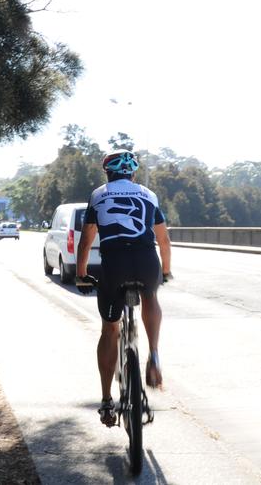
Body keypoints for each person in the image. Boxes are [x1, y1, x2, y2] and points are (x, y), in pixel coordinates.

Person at [76, 149, 172, 428]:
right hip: (146, 261)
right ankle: (154, 354)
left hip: (114, 265)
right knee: (151, 295)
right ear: (132, 173)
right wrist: (165, 272)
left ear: (107, 172)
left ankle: (107, 401)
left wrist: (82, 275)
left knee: (110, 329)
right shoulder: (149, 195)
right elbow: (164, 241)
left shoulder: (99, 195)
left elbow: (86, 241)